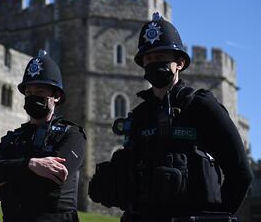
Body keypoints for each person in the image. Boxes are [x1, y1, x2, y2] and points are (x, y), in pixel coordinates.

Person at [88, 13, 253, 222]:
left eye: (160, 58)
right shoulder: (139, 116)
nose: (153, 64)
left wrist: (218, 217)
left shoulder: (202, 107)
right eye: (148, 59)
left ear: (180, 63)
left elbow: (241, 173)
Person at [0, 50, 86, 222]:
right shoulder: (14, 137)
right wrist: (29, 164)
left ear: (56, 96)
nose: (32, 97)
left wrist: (8, 179)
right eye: (28, 93)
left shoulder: (72, 135)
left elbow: (54, 178)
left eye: (40, 92)